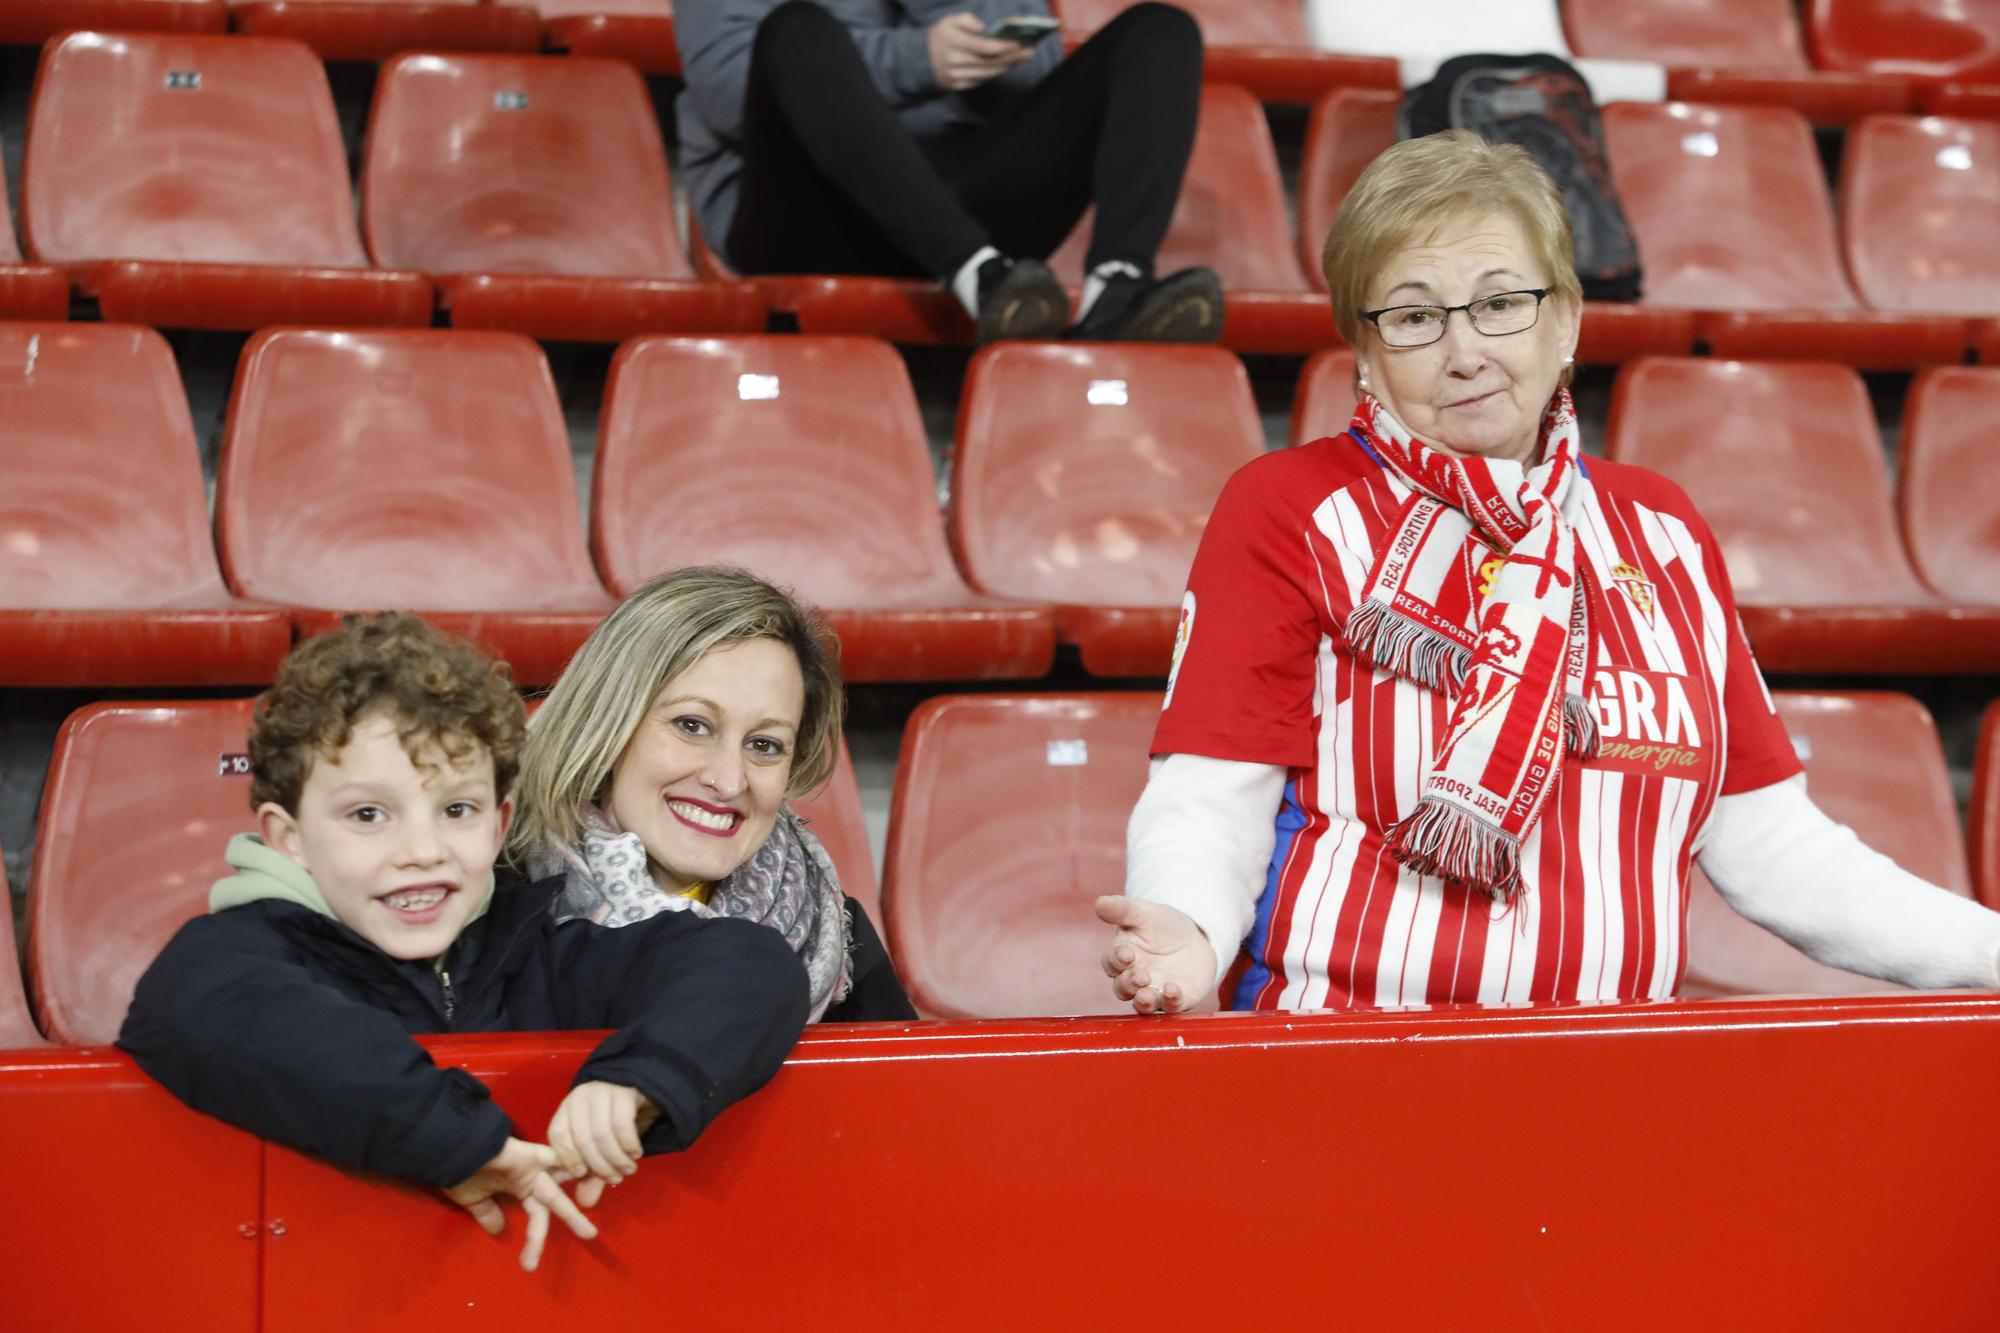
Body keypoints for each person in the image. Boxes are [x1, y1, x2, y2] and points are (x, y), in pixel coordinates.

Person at [1097, 130, 2000, 1014]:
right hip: (1343, 1076)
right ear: (1365, 354)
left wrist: (1985, 950)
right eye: (1414, 316)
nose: (1465, 350)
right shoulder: (1292, 507)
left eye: (1501, 303)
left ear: (1565, 320)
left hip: (1607, 1092)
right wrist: (1190, 931)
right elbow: (1209, 797)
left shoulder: (1663, 528)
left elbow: (1774, 844)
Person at [119, 615, 809, 1271]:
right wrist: (456, 1138)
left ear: (500, 823)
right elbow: (200, 1005)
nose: (422, 850)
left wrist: (635, 1081)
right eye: (368, 814)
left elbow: (749, 964)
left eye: (457, 810)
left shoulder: (535, 952)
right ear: (288, 836)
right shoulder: (235, 955)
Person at [676, 0, 1223, 343]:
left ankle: (1118, 288)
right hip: (806, 216)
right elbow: (727, 90)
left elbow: (1035, 66)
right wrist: (921, 60)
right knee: (797, 27)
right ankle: (977, 275)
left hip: (961, 195)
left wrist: (962, 42)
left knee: (1162, 29)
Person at [510, 565, 916, 1023]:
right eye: (692, 726)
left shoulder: (839, 936)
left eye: (764, 745)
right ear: (608, 725)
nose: (728, 781)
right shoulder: (489, 910)